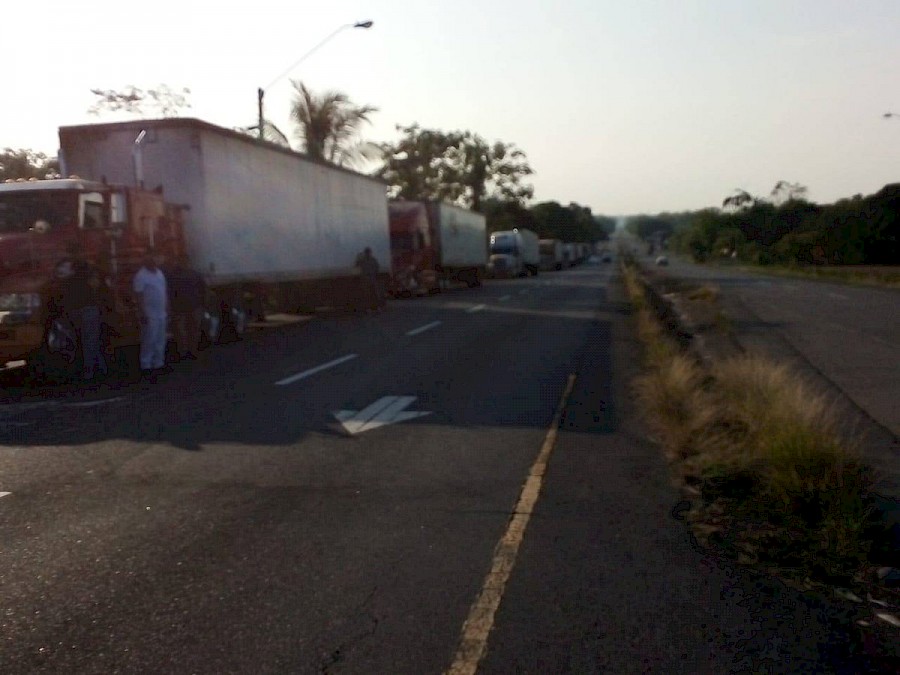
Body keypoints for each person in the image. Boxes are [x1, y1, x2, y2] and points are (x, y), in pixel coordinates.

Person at [132, 248, 168, 377]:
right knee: (149, 340)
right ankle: (146, 365)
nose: (154, 259)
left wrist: (166, 309)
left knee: (160, 339)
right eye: (151, 256)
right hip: (149, 314)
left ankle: (158, 363)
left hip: (161, 313)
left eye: (156, 256)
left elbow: (163, 292)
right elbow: (138, 296)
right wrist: (142, 313)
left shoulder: (159, 273)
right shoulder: (141, 275)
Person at [166, 255, 207, 361]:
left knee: (189, 331)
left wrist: (201, 304)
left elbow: (203, 289)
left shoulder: (174, 275)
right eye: (182, 261)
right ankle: (186, 351)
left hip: (190, 307)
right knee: (185, 331)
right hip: (183, 308)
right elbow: (168, 292)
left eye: (184, 261)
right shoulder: (175, 275)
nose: (183, 263)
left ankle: (189, 351)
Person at [355, 247, 384, 312]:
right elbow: (377, 268)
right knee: (372, 294)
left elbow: (356, 265)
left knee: (369, 294)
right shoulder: (373, 260)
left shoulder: (363, 260)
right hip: (371, 278)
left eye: (367, 252)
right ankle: (376, 307)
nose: (368, 254)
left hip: (367, 279)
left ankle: (372, 308)